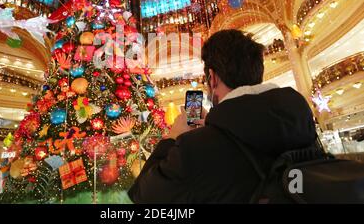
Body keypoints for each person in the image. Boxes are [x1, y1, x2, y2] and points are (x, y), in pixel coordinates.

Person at [128, 29, 317, 203]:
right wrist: (217, 127)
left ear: (212, 77)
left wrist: (172, 138)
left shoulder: (193, 148)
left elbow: (142, 197)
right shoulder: (302, 123)